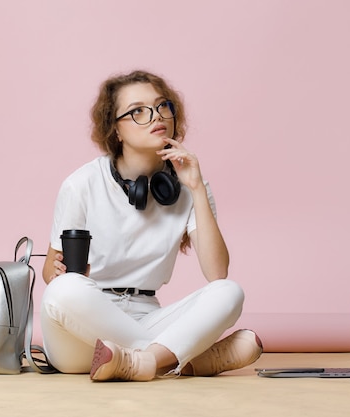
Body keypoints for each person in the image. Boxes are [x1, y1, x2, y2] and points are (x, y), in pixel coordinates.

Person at [40, 70, 262, 382]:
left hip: (147, 317)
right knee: (64, 290)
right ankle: (189, 360)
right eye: (138, 112)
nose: (156, 117)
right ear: (115, 129)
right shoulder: (82, 184)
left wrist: (196, 188)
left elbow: (217, 274)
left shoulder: (189, 186)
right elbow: (52, 273)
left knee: (229, 291)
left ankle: (142, 362)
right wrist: (62, 272)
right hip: (84, 331)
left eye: (162, 107)